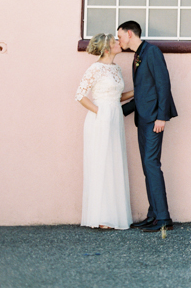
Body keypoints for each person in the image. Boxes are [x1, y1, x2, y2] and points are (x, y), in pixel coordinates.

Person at [118, 20, 178, 232]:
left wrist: (162, 117)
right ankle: (153, 215)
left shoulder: (152, 52)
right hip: (143, 120)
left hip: (154, 120)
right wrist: (115, 111)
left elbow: (163, 84)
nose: (119, 41)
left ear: (129, 34)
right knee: (147, 166)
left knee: (152, 164)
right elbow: (144, 94)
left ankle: (163, 218)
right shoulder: (138, 55)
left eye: (119, 36)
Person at [75, 33, 132, 230]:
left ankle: (114, 215)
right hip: (100, 118)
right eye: (115, 41)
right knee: (101, 162)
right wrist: (100, 112)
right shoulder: (95, 68)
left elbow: (117, 96)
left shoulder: (116, 68)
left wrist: (139, 91)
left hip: (115, 115)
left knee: (113, 161)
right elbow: (80, 95)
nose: (119, 43)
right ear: (107, 48)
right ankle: (101, 216)